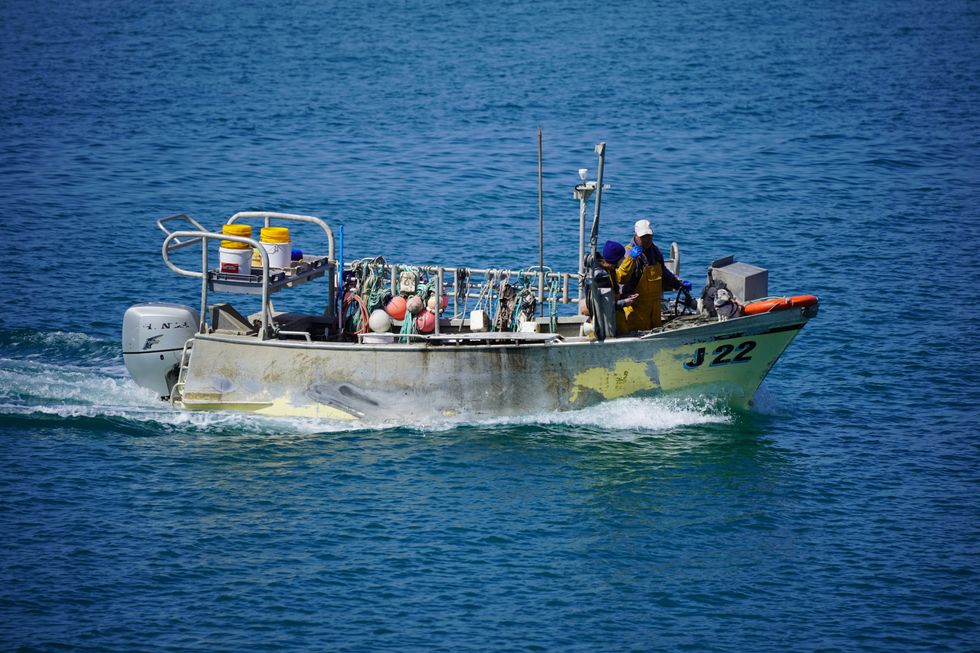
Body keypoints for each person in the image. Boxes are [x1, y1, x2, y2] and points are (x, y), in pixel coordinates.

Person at [616, 219, 691, 330]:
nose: (646, 240)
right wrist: (631, 259)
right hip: (636, 310)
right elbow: (621, 280)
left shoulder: (656, 252)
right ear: (635, 236)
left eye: (649, 236)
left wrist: (678, 283)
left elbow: (664, 274)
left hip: (654, 309)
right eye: (643, 237)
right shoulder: (627, 253)